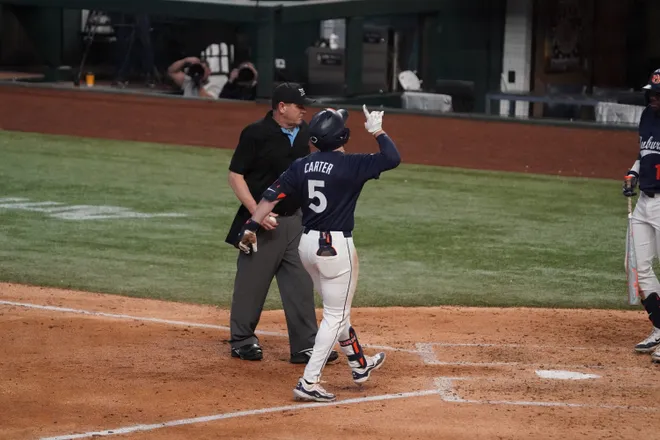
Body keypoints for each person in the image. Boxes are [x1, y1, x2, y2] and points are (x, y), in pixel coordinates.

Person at [236, 105, 401, 401]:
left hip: (307, 246)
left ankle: (359, 364)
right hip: (335, 248)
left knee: (338, 309)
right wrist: (377, 130)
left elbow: (271, 195)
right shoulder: (353, 165)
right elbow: (392, 158)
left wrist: (251, 224)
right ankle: (308, 382)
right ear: (344, 136)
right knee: (335, 315)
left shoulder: (302, 164)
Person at [225, 82, 339, 365]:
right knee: (251, 284)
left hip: (297, 221)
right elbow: (235, 176)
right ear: (281, 107)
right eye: (299, 106)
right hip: (261, 224)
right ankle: (242, 340)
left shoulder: (306, 134)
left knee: (300, 284)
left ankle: (305, 345)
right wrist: (257, 214)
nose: (304, 110)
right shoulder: (256, 134)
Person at [623, 67, 660, 363]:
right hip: (644, 202)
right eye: (652, 93)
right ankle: (659, 327)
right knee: (637, 265)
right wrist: (633, 172)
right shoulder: (647, 116)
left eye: (658, 94)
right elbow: (644, 153)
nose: (653, 98)